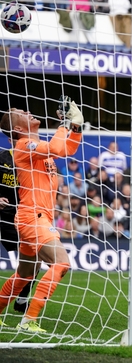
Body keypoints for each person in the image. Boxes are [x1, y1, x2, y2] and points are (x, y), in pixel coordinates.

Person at [0, 97, 84, 333]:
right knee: (62, 263)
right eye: (21, 112)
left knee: (25, 274)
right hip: (32, 217)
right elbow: (58, 147)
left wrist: (75, 127)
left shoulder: (39, 150)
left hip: (36, 217)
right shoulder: (23, 145)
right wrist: (64, 124)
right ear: (17, 128)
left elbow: (66, 149)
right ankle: (29, 320)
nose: (28, 111)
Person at [0, 146, 34, 313]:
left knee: (33, 261)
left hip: (22, 218)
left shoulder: (32, 160)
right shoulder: (2, 158)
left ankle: (21, 300)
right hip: (2, 216)